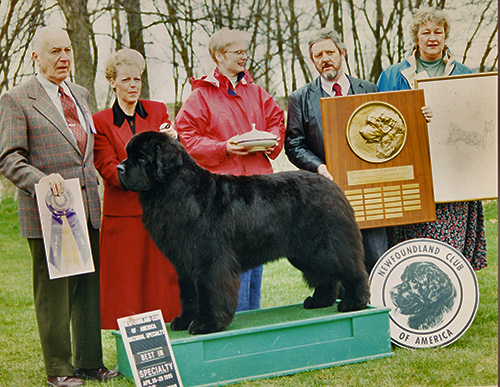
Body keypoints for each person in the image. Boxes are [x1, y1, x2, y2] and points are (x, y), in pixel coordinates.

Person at [0, 26, 119, 387]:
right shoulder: (18, 99)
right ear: (36, 56)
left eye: (67, 50)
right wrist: (40, 180)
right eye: (54, 51)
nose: (64, 57)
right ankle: (59, 370)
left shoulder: (81, 93)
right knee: (54, 295)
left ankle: (88, 362)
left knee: (88, 288)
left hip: (87, 206)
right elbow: (9, 157)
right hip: (49, 212)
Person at [174, 28, 286, 311]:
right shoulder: (201, 97)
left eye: (245, 51)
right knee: (233, 261)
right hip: (225, 195)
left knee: (257, 256)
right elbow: (186, 137)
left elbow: (277, 122)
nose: (244, 56)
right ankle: (238, 323)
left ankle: (252, 317)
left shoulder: (256, 91)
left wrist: (270, 139)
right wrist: (224, 147)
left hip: (260, 189)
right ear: (219, 55)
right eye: (237, 52)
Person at [377, 7, 487, 271]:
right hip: (411, 166)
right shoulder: (392, 75)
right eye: (425, 32)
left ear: (446, 36)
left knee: (450, 238)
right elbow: (382, 115)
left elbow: (475, 119)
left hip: (452, 168)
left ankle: (452, 292)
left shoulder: (464, 72)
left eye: (438, 32)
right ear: (416, 38)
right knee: (412, 238)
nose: (432, 37)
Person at [285, 28, 391, 273]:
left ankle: (381, 309)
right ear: (312, 60)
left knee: (376, 255)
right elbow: (293, 144)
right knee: (339, 258)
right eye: (318, 55)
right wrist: (319, 167)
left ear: (342, 52)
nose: (325, 59)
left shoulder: (370, 89)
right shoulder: (300, 98)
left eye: (330, 52)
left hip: (369, 186)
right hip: (328, 189)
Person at [92, 48, 181, 329]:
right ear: (112, 82)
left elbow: (173, 159)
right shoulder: (100, 122)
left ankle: (166, 347)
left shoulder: (158, 110)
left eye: (137, 80)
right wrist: (149, 173)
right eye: (127, 80)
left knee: (161, 287)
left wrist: (173, 142)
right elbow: (109, 168)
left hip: (159, 215)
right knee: (126, 289)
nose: (133, 86)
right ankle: (129, 352)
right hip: (123, 218)